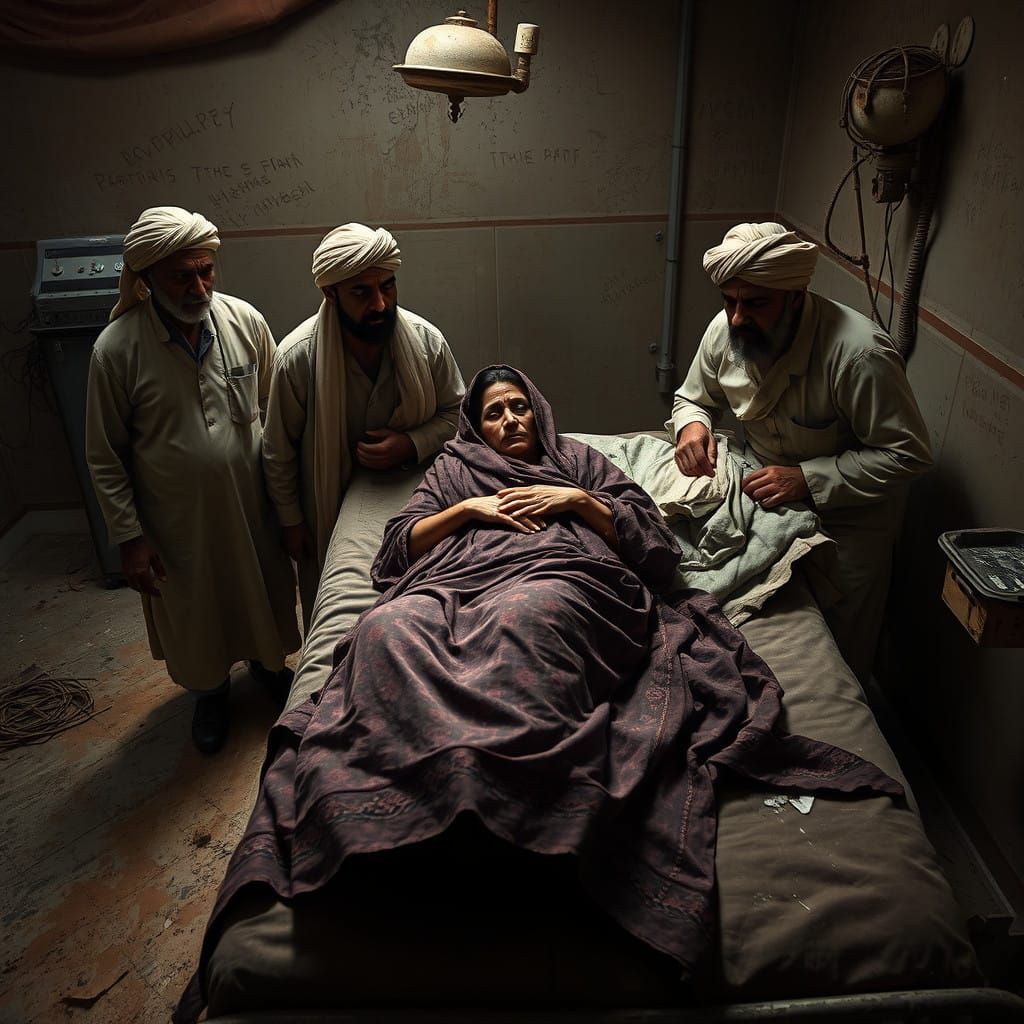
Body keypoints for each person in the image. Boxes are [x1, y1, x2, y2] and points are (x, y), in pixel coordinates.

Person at [174, 365, 901, 1023]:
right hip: (450, 585)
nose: (511, 421)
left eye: (521, 407)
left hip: (561, 581)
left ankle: (517, 805)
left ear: (540, 413)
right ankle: (399, 808)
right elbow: (395, 551)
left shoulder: (579, 462)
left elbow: (652, 545)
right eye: (494, 413)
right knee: (388, 631)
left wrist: (577, 502)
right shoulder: (455, 469)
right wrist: (470, 513)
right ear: (474, 426)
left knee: (529, 623)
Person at [669, 222, 933, 682]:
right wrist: (692, 426)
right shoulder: (725, 330)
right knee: (753, 624)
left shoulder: (857, 354)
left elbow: (906, 454)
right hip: (764, 497)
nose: (736, 318)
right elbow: (692, 397)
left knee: (837, 662)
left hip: (849, 524)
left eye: (754, 304)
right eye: (729, 301)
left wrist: (806, 478)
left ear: (795, 295)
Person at [86, 206, 300, 754]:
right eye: (183, 276)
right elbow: (105, 455)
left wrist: (290, 505)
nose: (199, 286)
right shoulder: (116, 350)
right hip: (175, 521)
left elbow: (276, 416)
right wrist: (131, 539)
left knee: (261, 591)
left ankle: (268, 668)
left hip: (251, 506)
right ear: (147, 277)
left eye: (206, 271)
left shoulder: (245, 322)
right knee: (195, 611)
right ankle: (210, 692)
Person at [261, 222, 465, 629]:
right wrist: (292, 521)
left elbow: (459, 417)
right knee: (340, 616)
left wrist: (411, 444)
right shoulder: (297, 358)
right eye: (362, 292)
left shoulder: (426, 342)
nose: (380, 304)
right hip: (329, 510)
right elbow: (277, 451)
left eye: (387, 287)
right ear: (330, 293)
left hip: (418, 504)